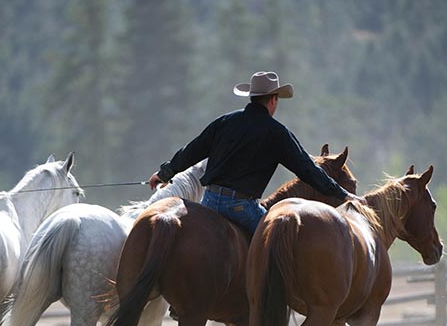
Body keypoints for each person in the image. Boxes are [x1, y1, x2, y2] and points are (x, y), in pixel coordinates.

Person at [148, 71, 360, 234]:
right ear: (273, 99)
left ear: (252, 97)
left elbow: (192, 150)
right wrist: (341, 193)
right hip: (242, 207)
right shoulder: (277, 133)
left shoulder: (224, 122)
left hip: (209, 201)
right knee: (278, 242)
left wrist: (164, 173)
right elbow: (307, 169)